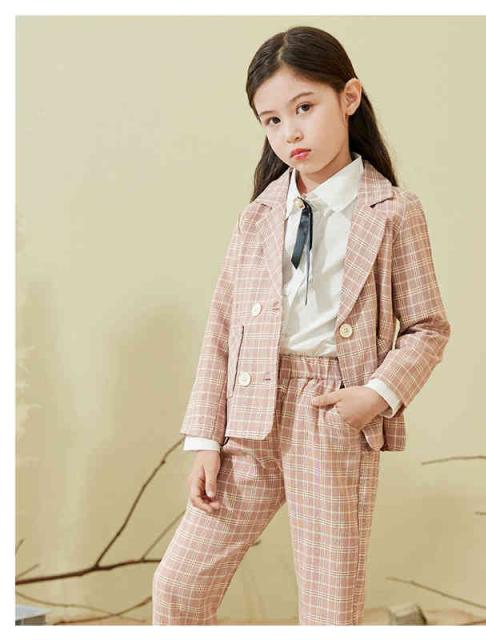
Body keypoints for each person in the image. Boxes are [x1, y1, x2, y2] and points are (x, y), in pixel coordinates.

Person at [152, 25, 452, 625]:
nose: (290, 132)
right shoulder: (259, 215)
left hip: (331, 413)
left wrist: (376, 394)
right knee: (179, 584)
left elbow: (428, 327)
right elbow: (221, 331)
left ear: (349, 97)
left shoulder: (393, 211)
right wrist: (206, 439)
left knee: (328, 605)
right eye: (271, 120)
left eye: (304, 108)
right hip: (249, 415)